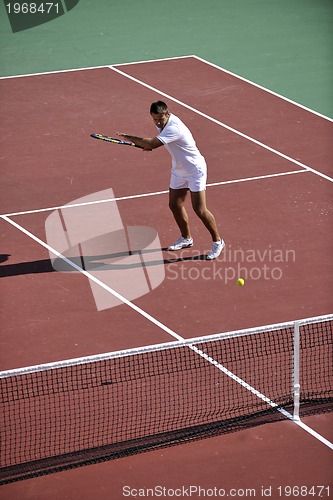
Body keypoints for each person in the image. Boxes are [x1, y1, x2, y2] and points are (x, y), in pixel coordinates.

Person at [117, 101, 225, 260]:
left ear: (168, 114)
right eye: (155, 120)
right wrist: (147, 145)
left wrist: (131, 138)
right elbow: (154, 143)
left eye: (161, 119)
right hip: (179, 170)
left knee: (199, 209)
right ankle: (186, 238)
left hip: (195, 170)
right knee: (175, 204)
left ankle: (218, 241)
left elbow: (152, 143)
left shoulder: (174, 127)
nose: (158, 122)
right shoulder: (162, 125)